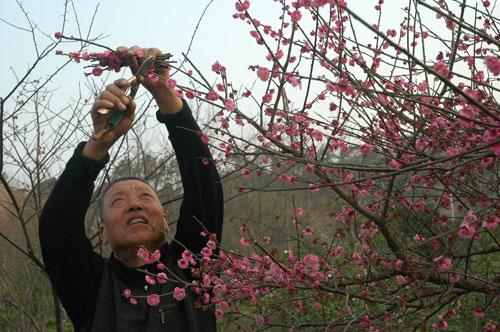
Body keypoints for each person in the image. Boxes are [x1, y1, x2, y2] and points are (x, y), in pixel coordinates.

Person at [39, 46, 223, 331]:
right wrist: (100, 142)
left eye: (145, 197)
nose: (134, 204)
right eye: (118, 201)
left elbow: (204, 188)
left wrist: (164, 93)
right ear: (103, 232)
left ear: (165, 218)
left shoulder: (193, 265)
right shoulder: (92, 289)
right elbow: (56, 227)